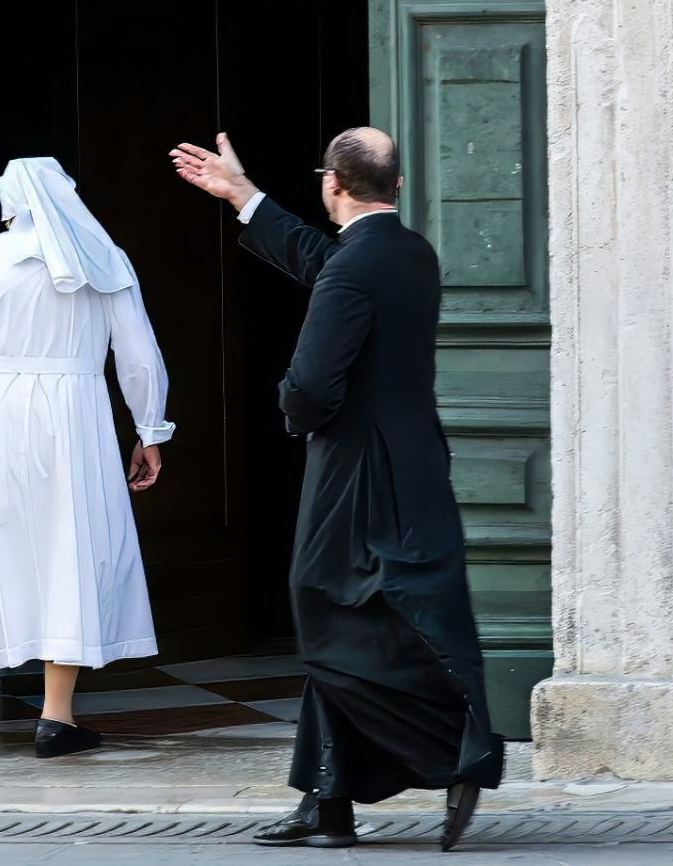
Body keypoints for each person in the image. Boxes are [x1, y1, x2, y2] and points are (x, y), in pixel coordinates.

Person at [170, 129, 501, 850]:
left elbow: (313, 384)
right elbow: (330, 265)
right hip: (416, 462)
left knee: (326, 609)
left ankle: (455, 747)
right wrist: (244, 196)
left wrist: (289, 407)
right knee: (359, 611)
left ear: (331, 184)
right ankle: (327, 801)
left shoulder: (357, 266)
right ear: (397, 185)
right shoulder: (409, 252)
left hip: (356, 469)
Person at [0, 157, 173, 760]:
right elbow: (139, 355)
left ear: (7, 207)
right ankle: (55, 717)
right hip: (73, 420)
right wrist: (149, 429)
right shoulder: (104, 261)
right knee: (67, 547)